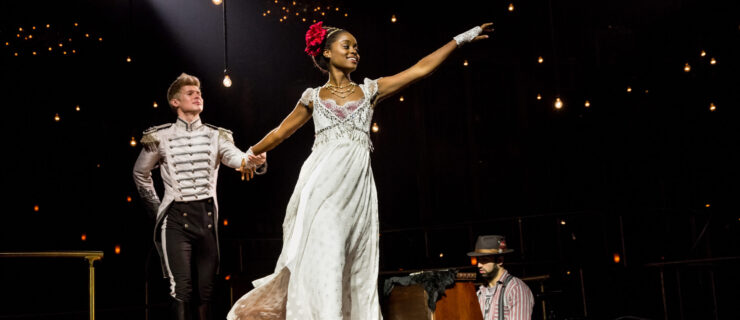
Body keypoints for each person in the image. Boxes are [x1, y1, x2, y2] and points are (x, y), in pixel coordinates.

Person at [227, 21, 494, 320]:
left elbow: (420, 69)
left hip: (356, 193)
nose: (354, 51)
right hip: (320, 188)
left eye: (356, 47)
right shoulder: (313, 97)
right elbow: (280, 133)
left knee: (351, 264)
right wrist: (250, 154)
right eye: (347, 46)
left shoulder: (370, 90)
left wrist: (460, 39)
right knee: (327, 257)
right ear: (327, 52)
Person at [133, 73, 266, 320]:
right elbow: (140, 173)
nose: (198, 96)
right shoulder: (159, 136)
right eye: (190, 93)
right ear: (175, 102)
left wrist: (251, 160)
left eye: (199, 93)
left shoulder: (217, 135)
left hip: (205, 217)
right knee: (180, 288)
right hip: (174, 220)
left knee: (206, 290)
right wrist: (157, 209)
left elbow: (235, 158)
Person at [468, 235, 534, 320]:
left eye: (484, 259)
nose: (479, 265)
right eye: (478, 260)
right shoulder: (480, 293)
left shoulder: (516, 289)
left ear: (500, 261)